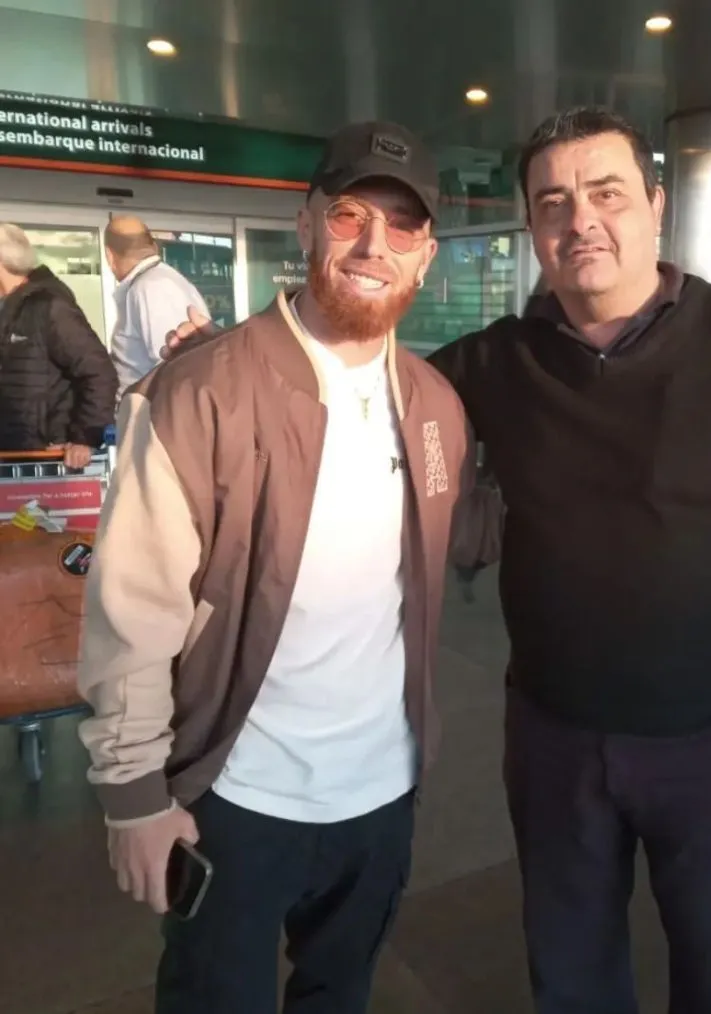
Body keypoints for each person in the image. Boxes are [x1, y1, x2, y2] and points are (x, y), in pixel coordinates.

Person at [162, 106, 711, 1014]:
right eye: (553, 201)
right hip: (555, 740)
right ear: (532, 226)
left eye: (606, 194)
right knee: (570, 975)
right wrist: (224, 359)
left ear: (655, 206)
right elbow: (358, 372)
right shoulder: (494, 365)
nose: (580, 219)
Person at [77, 121, 501, 1014]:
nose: (373, 246)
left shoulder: (433, 407)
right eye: (350, 215)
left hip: (382, 797)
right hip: (235, 798)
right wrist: (132, 796)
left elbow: (464, 540)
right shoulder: (202, 393)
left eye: (402, 228)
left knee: (338, 996)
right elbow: (133, 608)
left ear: (425, 258)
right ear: (306, 225)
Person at [0, 223, 117, 467]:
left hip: (45, 459)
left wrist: (84, 438)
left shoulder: (50, 306)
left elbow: (99, 372)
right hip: (11, 457)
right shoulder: (8, 307)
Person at [104, 215, 212, 396]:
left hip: (147, 419)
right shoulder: (158, 281)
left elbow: (175, 373)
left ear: (109, 256)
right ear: (154, 247)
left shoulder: (151, 287)